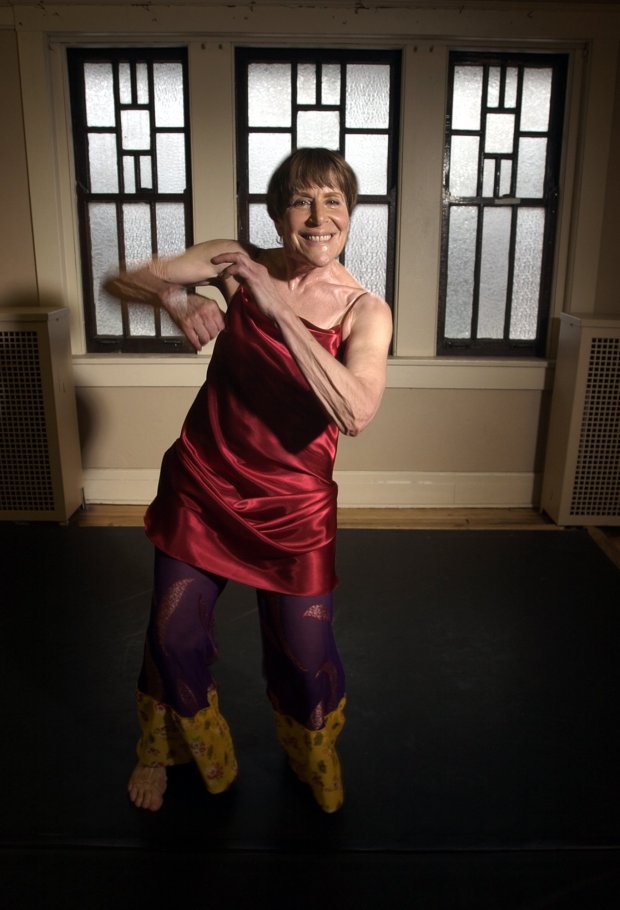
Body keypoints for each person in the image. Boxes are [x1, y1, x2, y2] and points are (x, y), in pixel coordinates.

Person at [106, 147, 392, 814]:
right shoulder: (240, 260)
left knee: (304, 655)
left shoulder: (364, 311)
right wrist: (176, 299)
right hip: (203, 486)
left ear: (350, 215)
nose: (319, 217)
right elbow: (125, 278)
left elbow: (355, 411)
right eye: (301, 200)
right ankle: (166, 750)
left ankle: (310, 757)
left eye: (334, 202)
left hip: (293, 507)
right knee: (172, 635)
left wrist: (277, 309)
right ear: (278, 213)